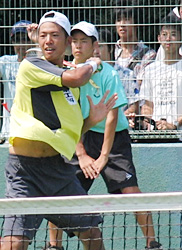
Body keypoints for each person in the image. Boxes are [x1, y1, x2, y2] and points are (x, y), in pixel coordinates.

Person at [2, 11, 118, 250]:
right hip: (25, 172)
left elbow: (70, 131)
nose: (48, 41)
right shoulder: (31, 64)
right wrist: (94, 62)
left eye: (55, 35)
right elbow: (77, 76)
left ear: (66, 42)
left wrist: (89, 120)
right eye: (43, 35)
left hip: (58, 171)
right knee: (14, 244)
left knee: (92, 235)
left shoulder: (68, 83)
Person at [44, 21, 162, 250]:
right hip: (81, 137)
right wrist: (83, 154)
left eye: (84, 41)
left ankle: (153, 244)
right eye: (74, 41)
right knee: (61, 191)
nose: (78, 46)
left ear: (94, 46)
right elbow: (71, 119)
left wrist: (104, 156)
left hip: (114, 140)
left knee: (131, 192)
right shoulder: (68, 76)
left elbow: (111, 116)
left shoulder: (109, 73)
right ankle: (53, 246)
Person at [139, 15, 182, 131]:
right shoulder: (150, 70)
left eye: (173, 34)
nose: (168, 39)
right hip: (156, 137)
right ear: (159, 38)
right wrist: (148, 124)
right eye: (164, 34)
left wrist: (174, 125)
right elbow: (147, 105)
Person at [95, 28, 141, 116]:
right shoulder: (87, 75)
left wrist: (119, 119)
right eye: (93, 46)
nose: (96, 51)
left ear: (111, 48)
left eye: (100, 46)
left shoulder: (127, 75)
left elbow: (134, 105)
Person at [0, 20, 33, 144]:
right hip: (9, 133)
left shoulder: (41, 64)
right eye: (17, 40)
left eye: (26, 39)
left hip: (32, 134)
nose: (22, 45)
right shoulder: (5, 62)